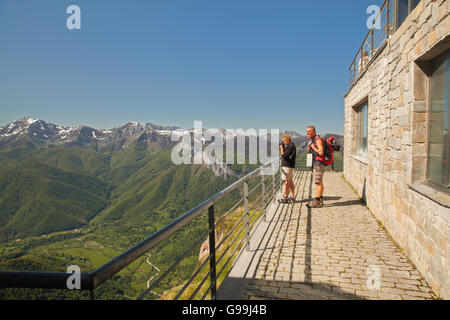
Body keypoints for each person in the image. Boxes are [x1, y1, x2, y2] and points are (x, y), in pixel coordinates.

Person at [306, 126, 325, 208]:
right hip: (315, 163)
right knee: (318, 181)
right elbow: (308, 152)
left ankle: (317, 200)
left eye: (309, 131)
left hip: (318, 164)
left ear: (314, 132)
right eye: (307, 131)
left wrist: (313, 146)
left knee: (318, 182)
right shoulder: (313, 140)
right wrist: (309, 146)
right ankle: (320, 199)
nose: (307, 133)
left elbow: (321, 152)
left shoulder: (318, 140)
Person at [280, 135, 296, 203]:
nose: (283, 142)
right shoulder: (292, 146)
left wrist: (281, 148)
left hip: (286, 166)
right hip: (291, 166)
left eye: (284, 141)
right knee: (290, 181)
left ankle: (285, 197)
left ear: (287, 140)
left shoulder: (289, 147)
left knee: (286, 182)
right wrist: (283, 147)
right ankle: (292, 196)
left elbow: (284, 155)